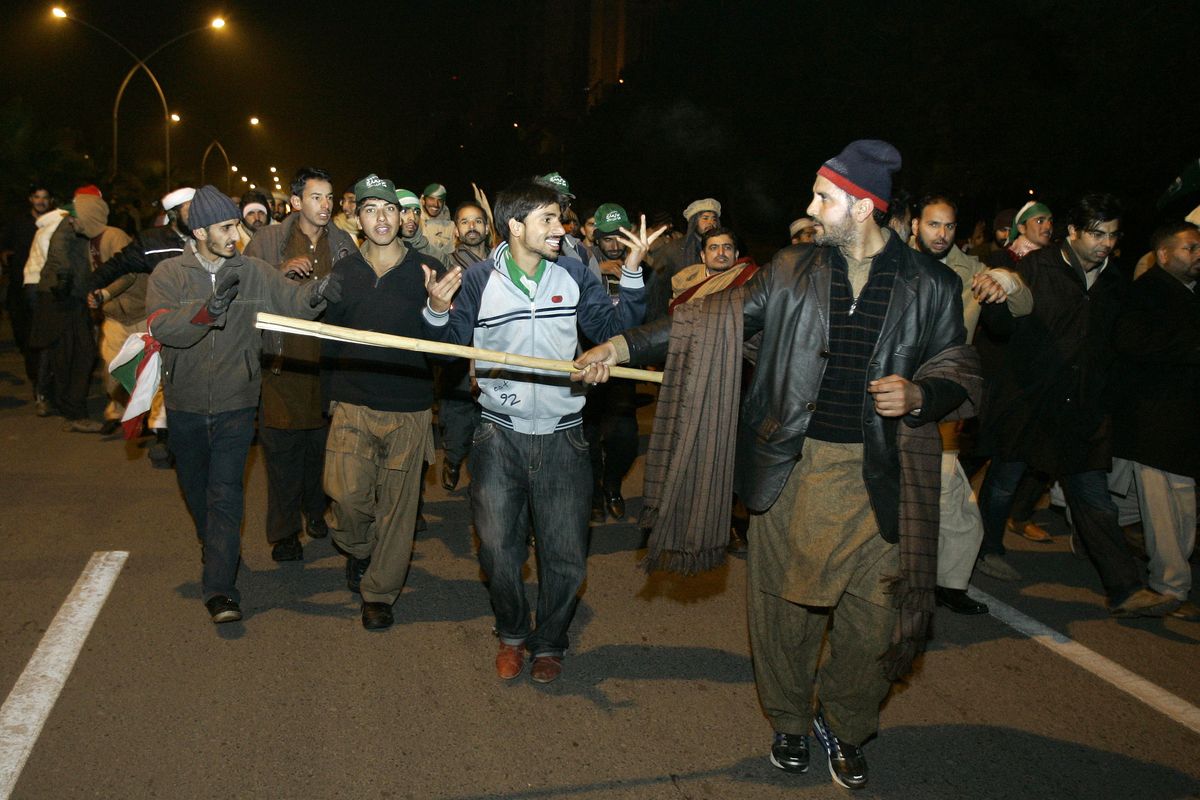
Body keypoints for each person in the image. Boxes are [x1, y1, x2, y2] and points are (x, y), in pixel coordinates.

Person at [575, 140, 975, 790]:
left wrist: (924, 394)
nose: (811, 209)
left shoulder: (932, 285)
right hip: (797, 472)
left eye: (824, 197)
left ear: (863, 204)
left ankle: (845, 725)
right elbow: (708, 320)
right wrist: (621, 343)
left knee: (874, 627)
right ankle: (790, 719)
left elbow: (959, 365)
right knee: (783, 613)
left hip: (885, 479)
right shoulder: (793, 269)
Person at [421, 178, 655, 684]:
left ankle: (550, 641)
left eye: (560, 219)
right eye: (547, 220)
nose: (560, 228)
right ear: (515, 225)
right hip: (497, 434)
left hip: (565, 434)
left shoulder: (573, 273)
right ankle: (510, 633)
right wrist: (439, 313)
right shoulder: (479, 279)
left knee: (566, 554)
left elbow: (612, 333)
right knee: (498, 550)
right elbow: (449, 349)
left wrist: (632, 277)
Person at [975, 194, 1178, 616]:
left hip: (1082, 408)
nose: (1105, 243)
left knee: (1094, 495)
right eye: (1096, 233)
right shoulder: (1036, 268)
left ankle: (1125, 588)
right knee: (1004, 481)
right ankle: (987, 546)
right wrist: (997, 294)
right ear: (1073, 232)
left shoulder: (1114, 284)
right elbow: (1001, 326)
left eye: (1112, 235)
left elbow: (1118, 345)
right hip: (1030, 400)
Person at [146, 185, 340, 624]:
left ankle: (220, 590)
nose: (236, 234)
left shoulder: (252, 270)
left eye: (236, 224)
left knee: (226, 495)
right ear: (199, 231)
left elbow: (291, 302)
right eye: (226, 227)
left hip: (237, 402)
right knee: (198, 494)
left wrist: (318, 292)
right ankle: (213, 543)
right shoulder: (169, 275)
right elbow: (162, 328)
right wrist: (206, 311)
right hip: (186, 406)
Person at [322, 174, 442, 630]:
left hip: (409, 405)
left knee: (398, 509)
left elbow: (442, 346)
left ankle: (379, 592)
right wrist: (327, 396)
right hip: (352, 402)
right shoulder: (344, 271)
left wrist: (438, 311)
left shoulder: (426, 270)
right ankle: (357, 549)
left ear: (403, 216)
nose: (381, 218)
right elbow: (329, 339)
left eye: (389, 209)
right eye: (371, 209)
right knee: (346, 497)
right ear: (358, 219)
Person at [908, 193, 1033, 614]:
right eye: (932, 225)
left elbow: (1024, 306)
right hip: (887, 392)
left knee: (953, 502)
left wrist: (1008, 280)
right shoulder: (888, 262)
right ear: (914, 226)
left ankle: (949, 583)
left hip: (941, 399)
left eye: (948, 226)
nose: (941, 234)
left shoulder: (970, 271)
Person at [244, 167, 357, 562]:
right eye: (316, 197)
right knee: (282, 451)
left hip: (329, 361)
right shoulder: (268, 239)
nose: (325, 206)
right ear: (296, 202)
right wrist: (277, 272)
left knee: (323, 446)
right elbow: (240, 285)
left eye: (329, 198)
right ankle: (285, 532)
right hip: (282, 359)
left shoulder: (343, 242)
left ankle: (316, 509)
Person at [1109, 221, 1200, 621]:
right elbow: (1132, 345)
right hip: (1157, 420)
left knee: (1134, 498)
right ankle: (1169, 585)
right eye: (1190, 249)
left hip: (1178, 419)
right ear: (1164, 255)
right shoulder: (1145, 294)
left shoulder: (1190, 294)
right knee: (1171, 506)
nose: (1198, 257)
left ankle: (1108, 542)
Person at [84, 187, 194, 466]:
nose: (198, 214)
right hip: (166, 326)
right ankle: (163, 436)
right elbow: (118, 265)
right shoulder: (152, 241)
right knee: (164, 381)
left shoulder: (209, 236)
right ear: (173, 214)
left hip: (202, 324)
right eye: (190, 208)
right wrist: (93, 287)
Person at [37, 189, 131, 432]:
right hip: (64, 298)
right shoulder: (72, 228)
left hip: (71, 297)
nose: (70, 219)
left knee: (75, 355)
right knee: (76, 355)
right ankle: (73, 413)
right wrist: (65, 278)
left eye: (75, 214)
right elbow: (59, 250)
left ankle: (68, 408)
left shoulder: (98, 234)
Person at [438, 201, 491, 491]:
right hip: (459, 354)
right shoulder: (447, 264)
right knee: (457, 420)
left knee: (490, 422)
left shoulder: (502, 262)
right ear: (456, 229)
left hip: (494, 355)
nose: (472, 226)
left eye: (477, 221)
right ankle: (453, 459)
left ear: (486, 227)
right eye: (465, 221)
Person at [1, 185, 54, 387]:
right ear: (30, 199)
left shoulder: (55, 224)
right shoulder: (18, 223)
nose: (41, 201)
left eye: (45, 197)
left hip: (45, 287)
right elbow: (4, 243)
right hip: (20, 286)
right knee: (24, 333)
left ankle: (41, 379)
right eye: (37, 197)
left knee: (41, 333)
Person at [419, 183, 455, 263]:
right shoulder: (414, 222)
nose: (436, 204)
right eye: (431, 199)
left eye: (440, 200)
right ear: (423, 200)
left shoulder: (451, 227)